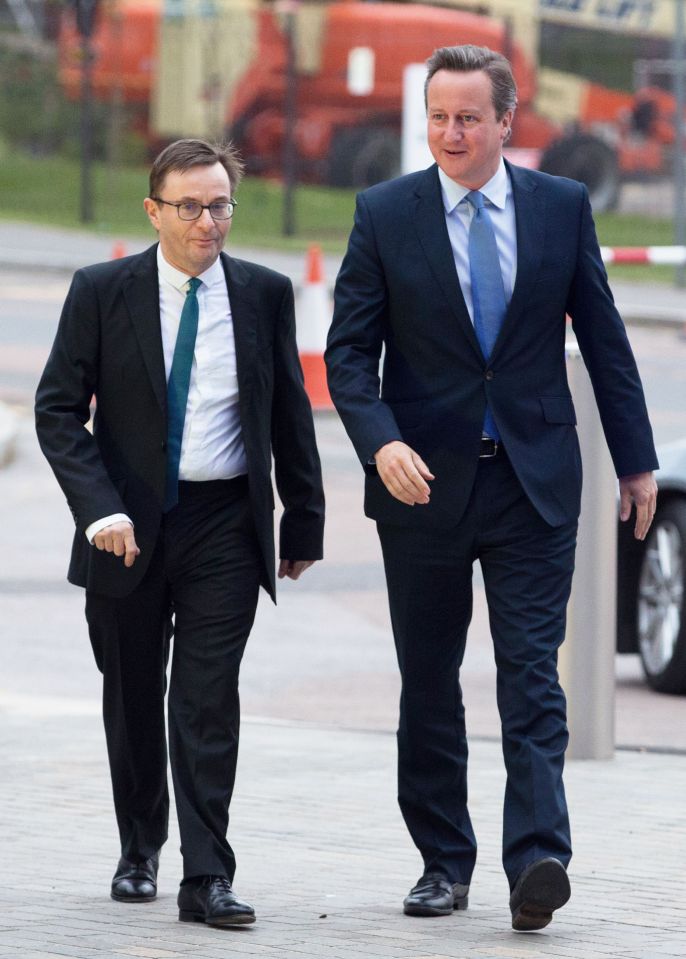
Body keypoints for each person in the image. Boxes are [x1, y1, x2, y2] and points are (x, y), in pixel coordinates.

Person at [325, 45, 658, 931]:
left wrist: (636, 460)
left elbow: (605, 336)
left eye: (468, 117)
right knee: (428, 678)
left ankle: (538, 856)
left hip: (533, 483)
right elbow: (350, 356)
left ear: (508, 122)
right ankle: (443, 861)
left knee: (529, 676)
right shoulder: (385, 213)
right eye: (438, 116)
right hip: (421, 484)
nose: (450, 133)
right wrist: (379, 443)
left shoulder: (560, 208)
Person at [35, 138, 324, 927]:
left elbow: (289, 410)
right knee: (132, 695)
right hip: (123, 527)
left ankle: (207, 875)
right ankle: (140, 845)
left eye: (221, 204)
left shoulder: (263, 294)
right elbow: (58, 410)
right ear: (153, 210)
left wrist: (304, 516)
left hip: (223, 522)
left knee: (205, 698)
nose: (208, 220)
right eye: (191, 205)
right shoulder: (102, 291)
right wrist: (98, 508)